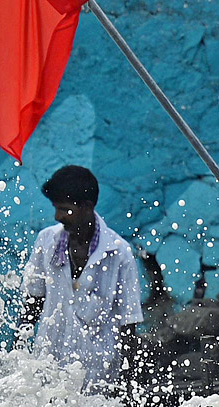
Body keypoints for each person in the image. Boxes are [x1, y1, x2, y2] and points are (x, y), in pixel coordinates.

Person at [19, 166, 143, 394]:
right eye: (56, 209)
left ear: (87, 207)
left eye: (65, 210)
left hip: (98, 379)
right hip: (48, 371)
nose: (58, 217)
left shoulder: (119, 253)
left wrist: (126, 386)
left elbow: (128, 323)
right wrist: (18, 350)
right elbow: (33, 301)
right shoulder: (46, 241)